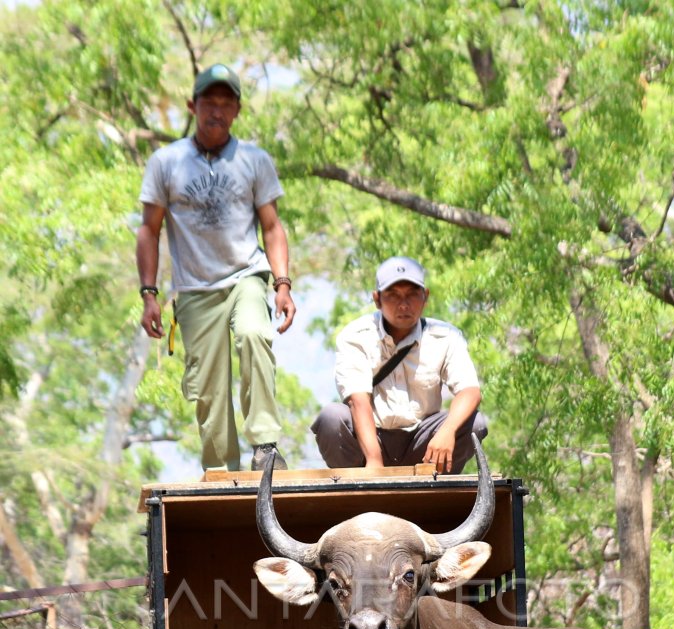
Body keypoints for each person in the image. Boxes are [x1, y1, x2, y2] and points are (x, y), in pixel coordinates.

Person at [136, 63, 296, 473]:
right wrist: (149, 295)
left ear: (238, 111)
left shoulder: (254, 160)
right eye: (210, 102)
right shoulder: (166, 161)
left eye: (227, 104)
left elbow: (273, 226)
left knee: (253, 333)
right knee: (207, 387)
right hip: (194, 289)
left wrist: (282, 283)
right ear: (193, 105)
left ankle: (265, 445)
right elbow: (149, 231)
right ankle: (223, 471)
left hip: (245, 275)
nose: (217, 111)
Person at [312, 256, 487, 474]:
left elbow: (470, 391)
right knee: (331, 418)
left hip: (424, 444)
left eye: (412, 294)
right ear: (377, 299)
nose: (403, 304)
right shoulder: (355, 336)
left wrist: (448, 431)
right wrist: (374, 463)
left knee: (475, 423)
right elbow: (358, 402)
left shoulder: (446, 336)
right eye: (393, 295)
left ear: (426, 297)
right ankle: (356, 487)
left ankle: (435, 484)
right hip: (370, 441)